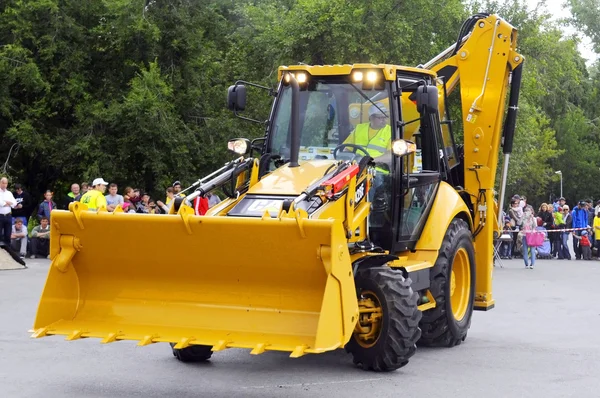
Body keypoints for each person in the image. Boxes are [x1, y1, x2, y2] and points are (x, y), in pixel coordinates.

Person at [0, 177, 16, 245]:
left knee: (8, 234)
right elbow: (1, 203)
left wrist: (7, 203)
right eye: (3, 183)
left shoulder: (9, 193)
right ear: (0, 183)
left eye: (6, 183)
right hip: (0, 215)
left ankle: (8, 250)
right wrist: (8, 203)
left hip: (8, 215)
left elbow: (14, 203)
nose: (4, 185)